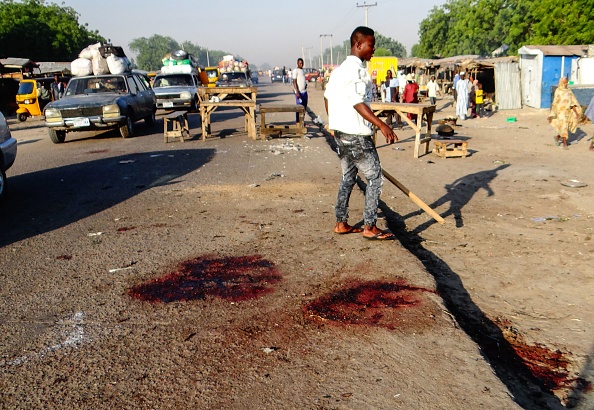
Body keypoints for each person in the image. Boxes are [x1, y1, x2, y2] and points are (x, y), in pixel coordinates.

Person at [324, 26, 397, 240]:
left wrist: (335, 122)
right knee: (375, 177)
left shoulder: (338, 71)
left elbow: (327, 98)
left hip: (341, 134)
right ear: (358, 45)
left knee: (348, 177)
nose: (373, 49)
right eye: (371, 45)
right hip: (356, 135)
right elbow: (357, 102)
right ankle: (370, 226)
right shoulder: (356, 70)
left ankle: (341, 223)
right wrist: (381, 125)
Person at [547, 77, 582, 149]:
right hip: (560, 112)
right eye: (564, 83)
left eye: (566, 83)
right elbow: (555, 103)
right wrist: (552, 114)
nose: (565, 84)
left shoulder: (569, 91)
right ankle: (565, 144)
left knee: (565, 127)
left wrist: (576, 112)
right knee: (564, 126)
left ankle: (557, 137)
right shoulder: (558, 91)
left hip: (568, 112)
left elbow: (573, 102)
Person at [292, 58, 308, 123]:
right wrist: (297, 92)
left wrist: (305, 84)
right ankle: (298, 121)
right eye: (300, 63)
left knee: (304, 107)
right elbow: (294, 81)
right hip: (299, 93)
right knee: (299, 107)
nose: (301, 64)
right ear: (297, 63)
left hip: (304, 92)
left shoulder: (302, 71)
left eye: (302, 63)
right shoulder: (296, 70)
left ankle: (302, 121)